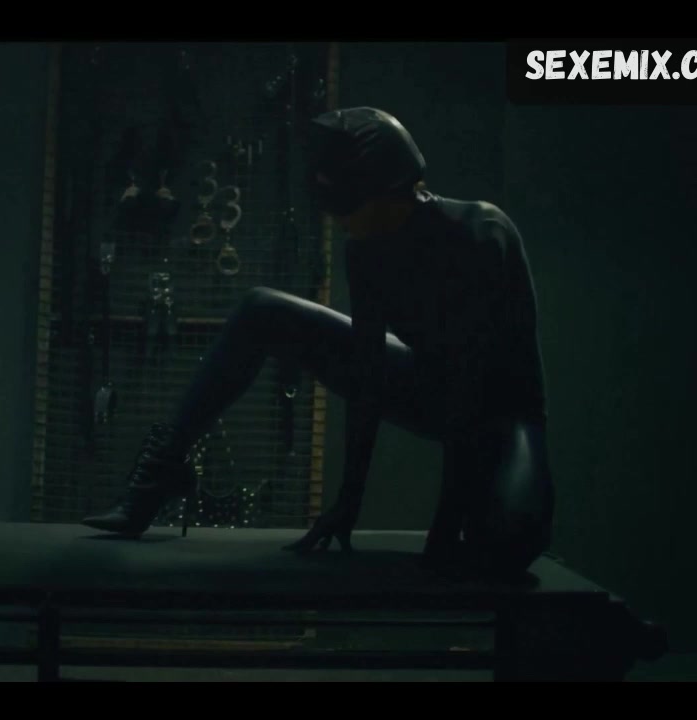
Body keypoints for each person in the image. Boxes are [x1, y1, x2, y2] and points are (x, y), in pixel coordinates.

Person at [83, 107, 554, 579]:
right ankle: (161, 472)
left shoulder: (479, 234)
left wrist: (446, 528)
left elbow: (473, 392)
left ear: (391, 190)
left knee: (509, 545)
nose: (338, 221)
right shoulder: (365, 247)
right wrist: (348, 500)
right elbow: (368, 374)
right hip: (426, 383)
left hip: (499, 412)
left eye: (348, 208)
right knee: (262, 308)